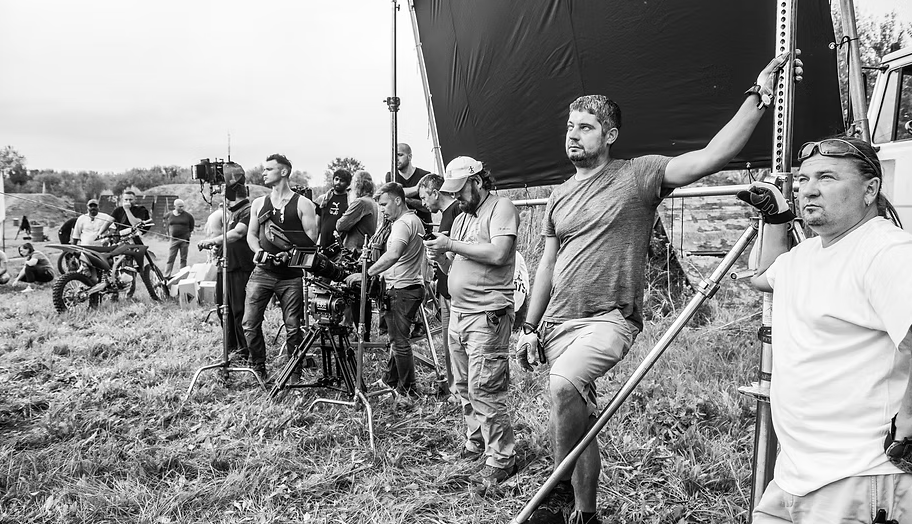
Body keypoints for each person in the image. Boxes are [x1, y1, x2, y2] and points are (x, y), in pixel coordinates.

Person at [514, 52, 801, 524]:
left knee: (564, 387)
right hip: (557, 324)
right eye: (569, 125)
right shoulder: (561, 193)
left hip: (608, 320)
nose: (572, 133)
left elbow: (712, 156)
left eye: (585, 126)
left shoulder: (638, 175)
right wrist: (529, 327)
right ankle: (587, 515)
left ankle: (559, 487)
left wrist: (758, 95)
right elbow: (547, 263)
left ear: (609, 134)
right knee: (580, 418)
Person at [742, 136, 912, 523]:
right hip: (794, 476)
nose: (809, 189)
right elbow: (764, 276)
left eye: (827, 177)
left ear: (870, 190)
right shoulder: (809, 253)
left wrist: (910, 419)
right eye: (803, 179)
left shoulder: (886, 251)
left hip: (859, 476)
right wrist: (776, 219)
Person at [424, 157, 520, 488]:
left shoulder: (501, 208)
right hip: (460, 313)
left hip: (487, 313)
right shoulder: (464, 217)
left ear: (476, 181)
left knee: (486, 386)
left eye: (460, 190)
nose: (457, 198)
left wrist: (450, 244)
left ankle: (502, 458)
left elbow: (498, 254)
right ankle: (477, 438)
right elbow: (453, 267)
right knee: (463, 384)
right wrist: (439, 255)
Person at [243, 153, 318, 382]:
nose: (263, 173)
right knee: (249, 324)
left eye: (268, 169)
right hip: (262, 273)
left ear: (284, 172)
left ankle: (293, 373)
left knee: (294, 328)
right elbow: (251, 236)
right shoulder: (259, 204)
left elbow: (311, 242)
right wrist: (259, 252)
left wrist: (290, 254)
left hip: (291, 277)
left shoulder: (304, 205)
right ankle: (259, 368)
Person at [367, 182, 425, 408]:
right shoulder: (411, 221)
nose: (381, 209)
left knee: (400, 343)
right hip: (404, 287)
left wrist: (368, 272)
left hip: (402, 289)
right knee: (395, 340)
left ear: (398, 200)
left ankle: (408, 390)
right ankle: (390, 381)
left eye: (384, 204)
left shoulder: (403, 224)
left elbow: (393, 254)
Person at [198, 164, 255, 364]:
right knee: (225, 308)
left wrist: (213, 241)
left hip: (241, 268)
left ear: (232, 194)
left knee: (239, 310)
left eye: (224, 194)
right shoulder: (233, 211)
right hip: (227, 266)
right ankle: (231, 348)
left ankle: (245, 350)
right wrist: (217, 248)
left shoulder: (247, 210)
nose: (222, 199)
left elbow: (238, 233)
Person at [418, 172, 463, 398]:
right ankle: (454, 389)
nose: (424, 203)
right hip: (446, 287)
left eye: (424, 197)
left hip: (457, 290)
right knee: (447, 343)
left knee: (455, 344)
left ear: (436, 192)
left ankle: (460, 390)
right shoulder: (446, 213)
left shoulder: (456, 210)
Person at [337, 170, 379, 340]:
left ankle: (358, 333)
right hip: (364, 251)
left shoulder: (360, 203)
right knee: (362, 297)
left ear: (357, 185)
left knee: (354, 295)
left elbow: (341, 224)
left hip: (354, 253)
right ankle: (363, 333)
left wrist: (349, 205)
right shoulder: (372, 202)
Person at [386, 143, 433, 231]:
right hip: (399, 229)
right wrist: (415, 190)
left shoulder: (424, 176)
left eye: (400, 155)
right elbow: (391, 199)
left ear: (410, 157)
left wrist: (406, 200)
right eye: (394, 156)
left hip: (423, 228)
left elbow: (429, 207)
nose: (396, 159)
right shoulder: (390, 176)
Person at [316, 169, 351, 249]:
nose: (338, 182)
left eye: (342, 180)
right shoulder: (324, 199)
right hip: (323, 244)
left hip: (339, 247)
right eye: (336, 179)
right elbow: (317, 223)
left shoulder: (349, 201)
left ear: (347, 184)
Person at [164, 199, 195, 278]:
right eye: (180, 206)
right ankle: (166, 276)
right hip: (173, 240)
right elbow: (167, 224)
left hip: (184, 240)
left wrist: (188, 235)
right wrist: (168, 233)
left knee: (183, 258)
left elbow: (191, 226)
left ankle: (182, 275)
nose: (182, 208)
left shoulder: (188, 216)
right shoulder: (169, 215)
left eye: (182, 206)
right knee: (170, 258)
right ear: (175, 206)